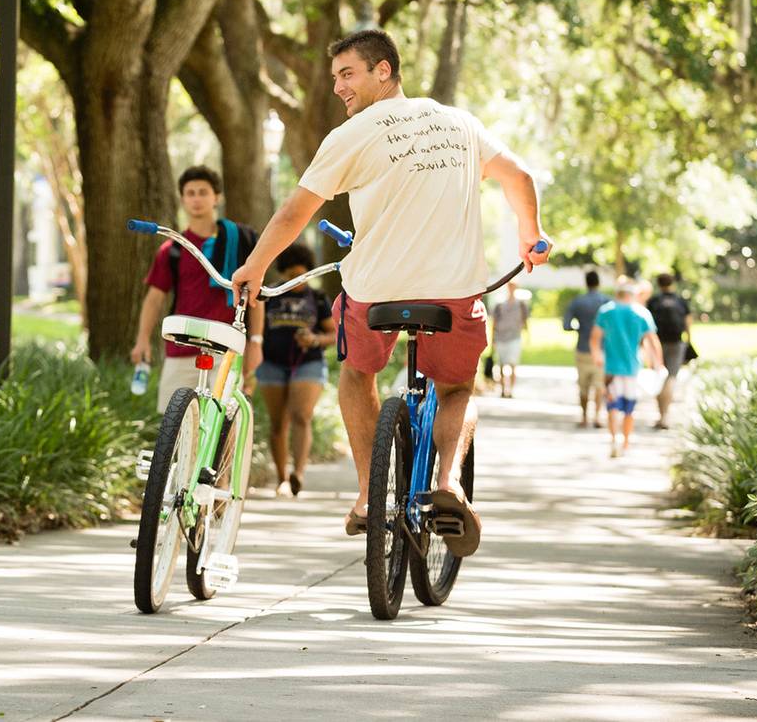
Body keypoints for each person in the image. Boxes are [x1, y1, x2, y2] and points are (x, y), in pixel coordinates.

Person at [228, 29, 550, 556]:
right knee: (457, 389)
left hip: (373, 292)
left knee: (357, 374)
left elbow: (294, 213)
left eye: (347, 73)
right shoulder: (460, 123)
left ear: (384, 70)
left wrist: (255, 267)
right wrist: (529, 238)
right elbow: (519, 176)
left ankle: (365, 496)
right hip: (453, 290)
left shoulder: (350, 136)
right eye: (334, 78)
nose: (338, 87)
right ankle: (449, 484)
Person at [130, 166, 264, 411]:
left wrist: (256, 341)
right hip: (181, 347)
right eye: (190, 193)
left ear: (217, 197)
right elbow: (154, 298)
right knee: (173, 429)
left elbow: (255, 294)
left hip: (227, 348)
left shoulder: (241, 240)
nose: (196, 198)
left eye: (203, 192)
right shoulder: (173, 249)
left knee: (222, 425)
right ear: (182, 200)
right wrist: (142, 340)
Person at [257, 243, 333, 497]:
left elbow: (334, 334)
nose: (296, 280)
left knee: (301, 415)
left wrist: (314, 339)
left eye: (301, 274)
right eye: (290, 276)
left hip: (308, 362)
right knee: (279, 422)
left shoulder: (319, 299)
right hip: (271, 363)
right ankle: (282, 478)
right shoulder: (269, 295)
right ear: (283, 274)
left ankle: (298, 474)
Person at [591, 277, 660, 459]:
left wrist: (597, 356)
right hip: (632, 368)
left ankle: (614, 439)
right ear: (633, 295)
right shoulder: (642, 313)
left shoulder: (606, 311)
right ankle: (626, 442)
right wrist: (658, 364)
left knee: (613, 406)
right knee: (629, 408)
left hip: (611, 368)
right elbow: (652, 341)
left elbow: (595, 337)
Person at [564, 270, 611, 427]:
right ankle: (597, 416)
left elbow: (566, 325)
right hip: (601, 349)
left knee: (583, 386)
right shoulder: (606, 302)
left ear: (586, 282)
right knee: (599, 385)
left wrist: (579, 328)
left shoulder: (578, 302)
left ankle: (584, 417)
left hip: (583, 348)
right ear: (598, 282)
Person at [647, 273, 694, 431]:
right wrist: (688, 340)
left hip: (657, 343)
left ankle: (661, 415)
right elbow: (688, 322)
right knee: (671, 377)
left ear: (658, 284)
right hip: (676, 342)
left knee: (659, 377)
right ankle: (665, 416)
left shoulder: (653, 301)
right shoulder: (680, 301)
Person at [489, 281, 529, 398]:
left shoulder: (521, 304)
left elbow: (525, 320)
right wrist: (493, 340)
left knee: (512, 365)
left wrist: (527, 334)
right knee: (501, 365)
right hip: (501, 338)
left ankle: (510, 390)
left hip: (515, 338)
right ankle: (502, 389)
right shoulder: (499, 304)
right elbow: (494, 323)